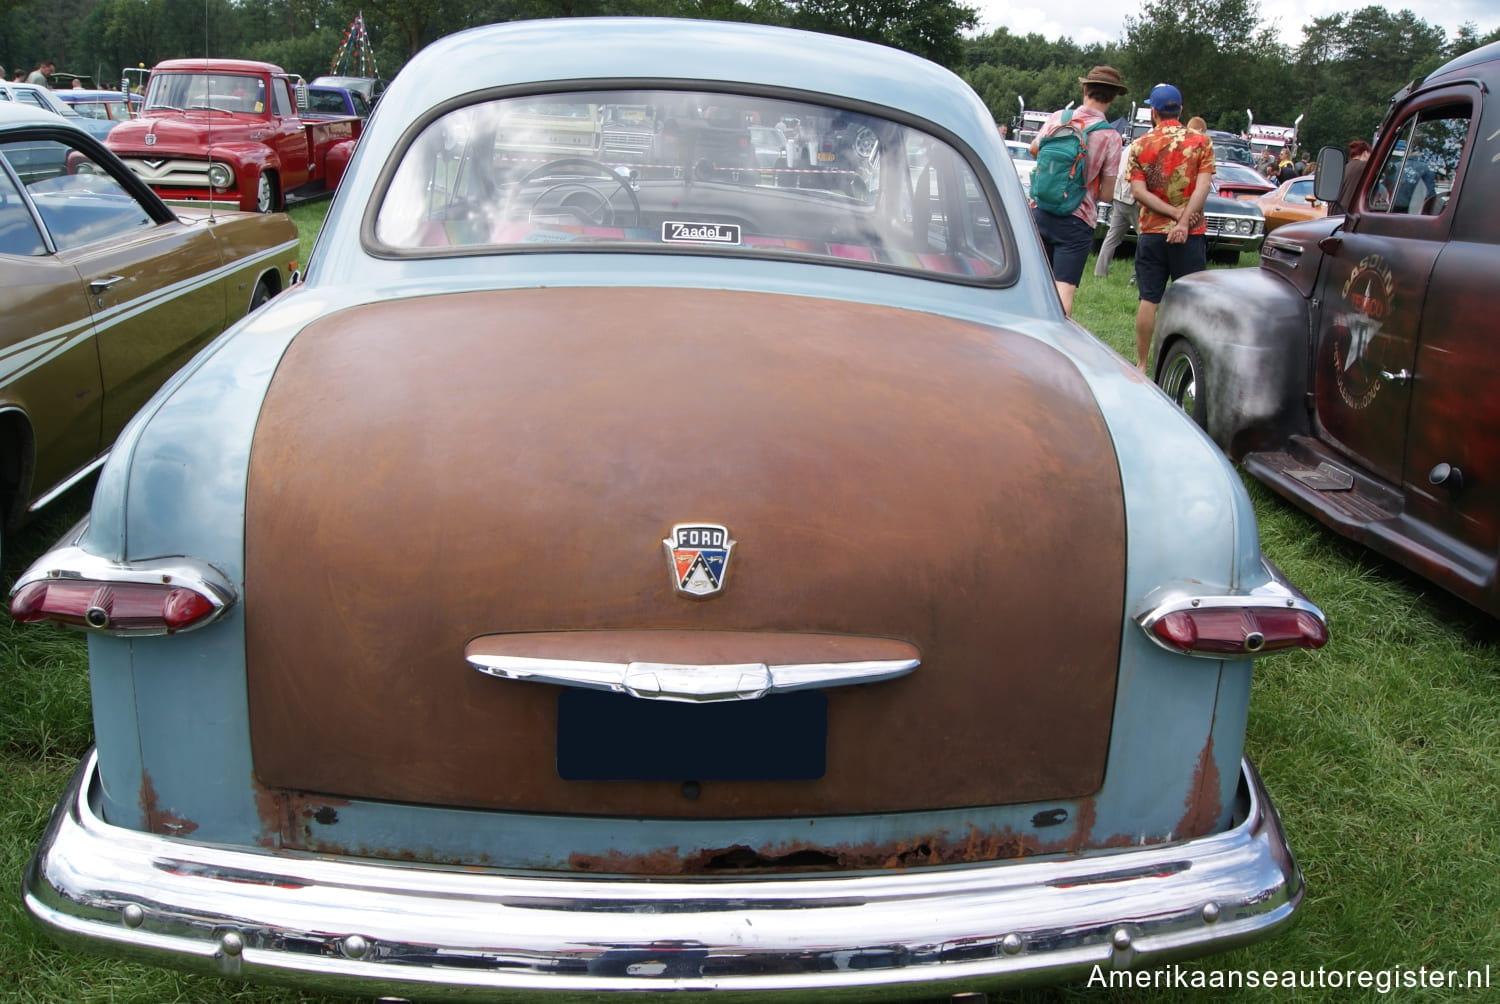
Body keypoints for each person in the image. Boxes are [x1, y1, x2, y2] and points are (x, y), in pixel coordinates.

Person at [1027, 65, 1126, 317]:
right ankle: (1053, 349)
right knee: (1064, 290)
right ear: (1114, 97)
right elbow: (1105, 194)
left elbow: (1033, 149)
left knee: (1036, 284)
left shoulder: (1059, 117)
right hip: (1077, 220)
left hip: (1040, 210)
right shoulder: (1110, 136)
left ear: (1085, 89)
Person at [1128, 82, 1213, 372]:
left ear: (1153, 112)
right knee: (1191, 303)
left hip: (1152, 232)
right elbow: (1203, 187)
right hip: (1191, 233)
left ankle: (1141, 363)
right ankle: (1187, 364)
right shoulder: (1202, 143)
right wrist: (1184, 219)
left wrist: (1173, 214)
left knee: (1148, 298)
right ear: (1181, 109)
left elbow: (1139, 193)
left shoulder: (1140, 145)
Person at [1093, 143, 1137, 278]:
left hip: (1119, 195)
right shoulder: (1148, 146)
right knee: (1146, 238)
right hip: (1133, 198)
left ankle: (1100, 272)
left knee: (1112, 237)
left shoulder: (1131, 146)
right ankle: (1139, 275)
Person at [1329, 140, 1370, 215]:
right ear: (1365, 153)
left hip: (1335, 213)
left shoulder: (1344, 168)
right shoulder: (1364, 166)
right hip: (1349, 215)